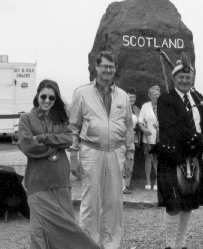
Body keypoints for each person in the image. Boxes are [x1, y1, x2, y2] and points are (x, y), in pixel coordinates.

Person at [18, 79, 100, 249]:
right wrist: (56, 146)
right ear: (37, 96)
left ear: (56, 100)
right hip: (37, 184)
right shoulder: (26, 119)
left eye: (51, 98)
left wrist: (42, 138)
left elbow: (69, 139)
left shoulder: (61, 120)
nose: (47, 101)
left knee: (68, 231)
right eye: (44, 96)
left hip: (61, 182)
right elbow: (28, 147)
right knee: (37, 232)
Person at [156, 53, 203, 249]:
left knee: (188, 203)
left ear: (192, 79)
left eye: (188, 78)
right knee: (173, 204)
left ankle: (181, 244)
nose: (185, 80)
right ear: (174, 79)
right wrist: (200, 138)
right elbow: (173, 128)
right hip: (172, 156)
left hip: (193, 157)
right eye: (181, 77)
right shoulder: (165, 100)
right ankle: (170, 245)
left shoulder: (198, 97)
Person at [68, 51, 134, 249]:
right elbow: (73, 127)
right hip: (91, 152)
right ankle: (89, 244)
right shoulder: (82, 93)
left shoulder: (122, 96)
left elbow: (129, 128)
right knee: (91, 202)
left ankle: (111, 244)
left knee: (114, 201)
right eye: (104, 66)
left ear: (115, 69)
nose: (108, 70)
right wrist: (73, 155)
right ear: (96, 67)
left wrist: (130, 155)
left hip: (116, 152)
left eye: (111, 67)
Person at [138, 85, 160, 191]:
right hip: (148, 137)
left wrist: (161, 125)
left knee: (157, 159)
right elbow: (140, 120)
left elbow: (169, 120)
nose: (156, 96)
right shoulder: (145, 106)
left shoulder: (164, 105)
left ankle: (156, 181)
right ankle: (147, 181)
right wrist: (143, 129)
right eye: (154, 94)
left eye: (158, 94)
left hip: (160, 138)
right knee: (148, 159)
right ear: (149, 95)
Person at [123, 86, 141, 194]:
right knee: (121, 161)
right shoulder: (121, 108)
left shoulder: (137, 109)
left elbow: (139, 122)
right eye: (130, 97)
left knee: (130, 160)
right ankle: (119, 185)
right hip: (122, 137)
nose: (132, 99)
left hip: (133, 138)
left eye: (134, 97)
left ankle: (126, 185)